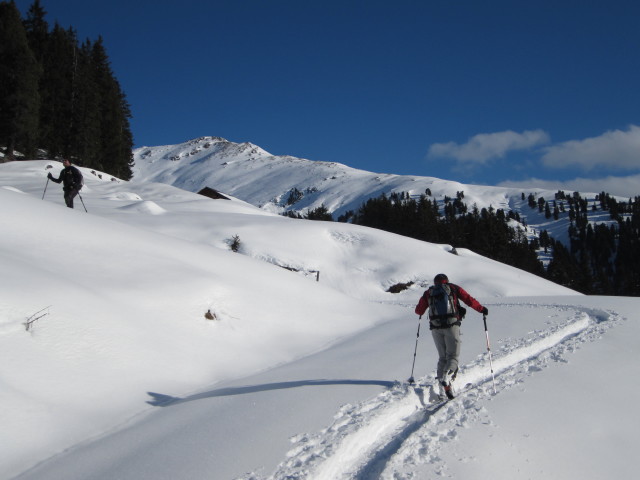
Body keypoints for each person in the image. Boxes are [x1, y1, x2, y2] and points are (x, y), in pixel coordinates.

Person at [415, 273, 488, 398]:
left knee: (442, 357)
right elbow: (468, 299)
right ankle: (448, 378)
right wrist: (481, 309)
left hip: (435, 328)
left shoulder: (429, 292)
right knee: (453, 356)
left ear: (435, 282)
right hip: (451, 325)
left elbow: (418, 311)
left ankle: (442, 389)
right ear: (446, 281)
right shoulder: (453, 288)